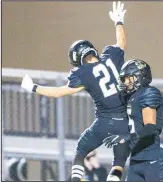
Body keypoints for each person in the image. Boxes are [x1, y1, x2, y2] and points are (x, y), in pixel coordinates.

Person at [21, 1, 130, 181]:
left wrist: (34, 87)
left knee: (81, 150)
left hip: (105, 121)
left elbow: (59, 92)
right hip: (124, 119)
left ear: (78, 59)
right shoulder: (111, 56)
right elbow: (122, 42)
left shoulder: (83, 73)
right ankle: (114, 177)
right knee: (119, 158)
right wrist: (119, 21)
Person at [103, 59, 163, 181]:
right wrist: (116, 170)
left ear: (140, 77)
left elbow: (150, 128)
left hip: (152, 160)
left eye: (129, 78)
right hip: (135, 160)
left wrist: (126, 137)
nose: (125, 82)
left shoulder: (148, 93)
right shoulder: (129, 98)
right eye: (124, 79)